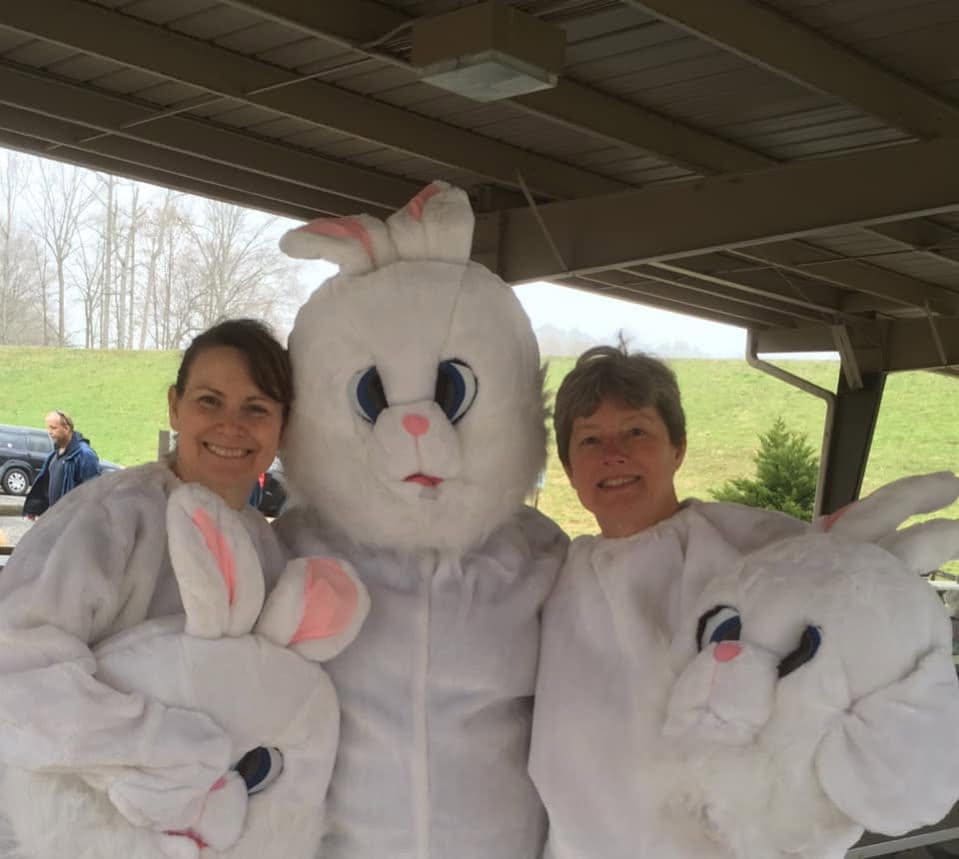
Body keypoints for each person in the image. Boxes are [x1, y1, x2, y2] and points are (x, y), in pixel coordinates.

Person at [0, 318, 293, 845]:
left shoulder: (267, 548)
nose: (232, 425)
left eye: (257, 408)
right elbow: (16, 676)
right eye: (209, 401)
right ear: (175, 406)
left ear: (282, 427)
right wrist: (172, 748)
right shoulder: (109, 520)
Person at [529, 344, 809, 859]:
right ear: (570, 467)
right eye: (590, 439)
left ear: (677, 447)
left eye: (636, 431)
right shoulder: (550, 576)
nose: (613, 453)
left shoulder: (749, 552)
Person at [22, 410, 100, 518]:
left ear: (67, 428)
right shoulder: (54, 455)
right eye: (48, 428)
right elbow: (45, 486)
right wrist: (35, 508)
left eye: (53, 428)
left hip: (72, 522)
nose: (49, 432)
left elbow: (93, 492)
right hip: (56, 518)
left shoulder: (85, 455)